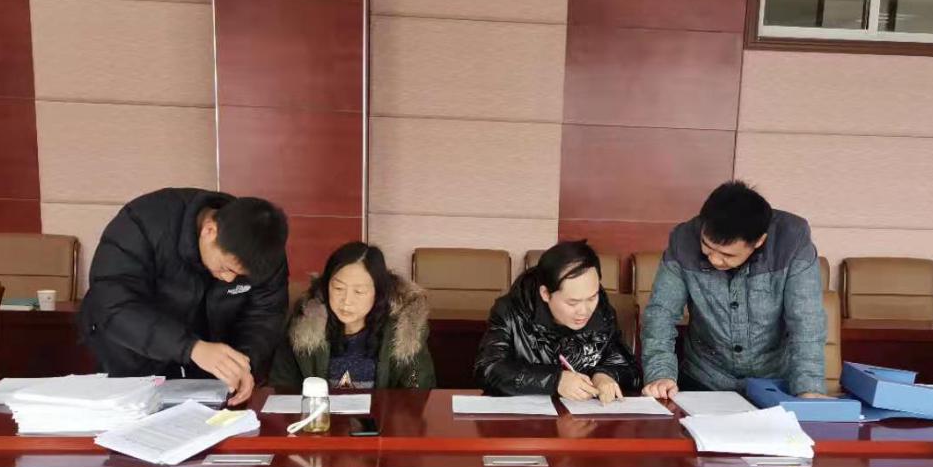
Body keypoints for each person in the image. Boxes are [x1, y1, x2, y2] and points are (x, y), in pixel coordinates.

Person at [80, 187, 288, 406]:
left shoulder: (263, 250)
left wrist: (241, 365)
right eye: (226, 268)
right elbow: (113, 304)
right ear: (210, 230)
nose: (229, 279)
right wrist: (191, 348)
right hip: (129, 355)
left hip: (207, 367)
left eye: (240, 276)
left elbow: (265, 315)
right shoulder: (143, 222)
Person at [640, 180, 827, 399]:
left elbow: (806, 320)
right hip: (704, 379)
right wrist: (660, 374)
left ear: (759, 241)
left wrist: (809, 389)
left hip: (773, 383)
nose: (714, 260)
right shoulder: (683, 240)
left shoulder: (792, 242)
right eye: (707, 247)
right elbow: (661, 314)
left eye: (727, 255)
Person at [474, 240, 641, 400]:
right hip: (530, 416)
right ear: (545, 294)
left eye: (592, 298)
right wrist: (554, 380)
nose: (584, 311)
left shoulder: (602, 311)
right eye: (572, 303)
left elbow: (629, 368)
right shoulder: (511, 311)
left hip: (583, 416)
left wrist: (606, 375)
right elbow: (489, 369)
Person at [270, 242, 435, 391]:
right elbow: (281, 387)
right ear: (326, 286)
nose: (347, 301)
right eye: (338, 288)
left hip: (381, 416)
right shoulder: (303, 325)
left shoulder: (405, 332)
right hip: (318, 415)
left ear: (378, 293)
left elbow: (419, 394)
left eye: (359, 291)